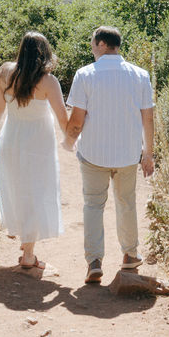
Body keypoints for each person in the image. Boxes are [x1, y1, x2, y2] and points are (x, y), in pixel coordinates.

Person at [64, 26, 155, 284]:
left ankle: (94, 261)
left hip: (93, 153)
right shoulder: (140, 75)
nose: (91, 47)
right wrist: (148, 153)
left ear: (102, 44)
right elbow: (148, 118)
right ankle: (130, 254)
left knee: (93, 205)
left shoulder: (85, 75)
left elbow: (77, 120)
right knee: (126, 202)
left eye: (93, 42)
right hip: (127, 154)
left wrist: (69, 141)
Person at [0, 31, 68, 271]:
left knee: (17, 188)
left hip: (11, 137)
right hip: (38, 142)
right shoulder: (48, 81)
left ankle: (26, 240)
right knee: (36, 191)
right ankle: (29, 255)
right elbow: (63, 119)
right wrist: (75, 138)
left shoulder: (4, 74)